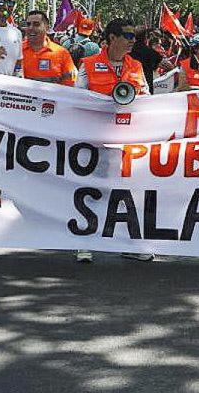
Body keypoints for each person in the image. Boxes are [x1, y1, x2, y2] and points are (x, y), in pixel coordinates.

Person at [76, 18, 151, 264]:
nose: (133, 41)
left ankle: (131, 243)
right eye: (128, 36)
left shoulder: (136, 66)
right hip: (95, 140)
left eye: (134, 37)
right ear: (111, 38)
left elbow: (147, 98)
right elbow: (76, 99)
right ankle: (83, 243)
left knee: (129, 194)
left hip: (128, 142)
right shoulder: (88, 64)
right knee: (91, 191)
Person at [21, 10, 75, 86]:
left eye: (36, 24)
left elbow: (70, 84)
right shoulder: (18, 50)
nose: (31, 28)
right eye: (28, 24)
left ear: (47, 27)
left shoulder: (62, 53)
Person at [130, 27, 175, 93]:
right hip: (145, 89)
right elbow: (168, 66)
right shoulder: (150, 52)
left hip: (128, 89)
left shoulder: (126, 51)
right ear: (146, 38)